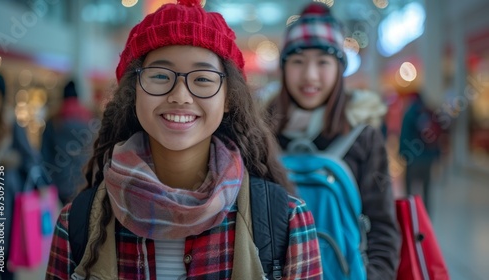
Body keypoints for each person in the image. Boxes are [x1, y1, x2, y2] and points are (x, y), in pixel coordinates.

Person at [45, 0, 323, 279]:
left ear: (228, 98)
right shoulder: (78, 223)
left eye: (203, 79)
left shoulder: (285, 221)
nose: (180, 95)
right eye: (160, 76)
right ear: (133, 93)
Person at [266, 3, 400, 279]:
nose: (310, 76)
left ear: (340, 69)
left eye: (323, 62)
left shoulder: (363, 135)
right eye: (298, 61)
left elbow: (382, 225)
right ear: (284, 67)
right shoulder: (259, 131)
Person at [0, 73, 44, 279]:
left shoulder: (9, 121)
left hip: (4, 195)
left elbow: (30, 157)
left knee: (0, 255)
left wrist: (9, 161)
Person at [41, 80, 95, 205]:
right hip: (84, 181)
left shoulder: (53, 121)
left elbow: (44, 156)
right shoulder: (90, 120)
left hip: (59, 183)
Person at [399, 92, 442, 213]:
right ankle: (426, 215)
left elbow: (404, 136)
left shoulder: (409, 114)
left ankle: (410, 213)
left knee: (409, 188)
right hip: (428, 158)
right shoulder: (429, 112)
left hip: (413, 158)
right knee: (427, 188)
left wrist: (402, 153)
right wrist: (437, 155)